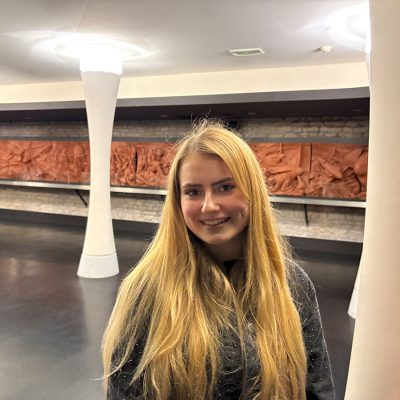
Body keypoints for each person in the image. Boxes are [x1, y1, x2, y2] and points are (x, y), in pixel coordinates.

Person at [102, 121, 335, 400]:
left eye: (225, 187)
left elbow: (317, 387)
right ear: (177, 200)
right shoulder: (147, 289)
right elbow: (123, 391)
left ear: (252, 190)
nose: (209, 205)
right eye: (193, 191)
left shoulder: (292, 283)